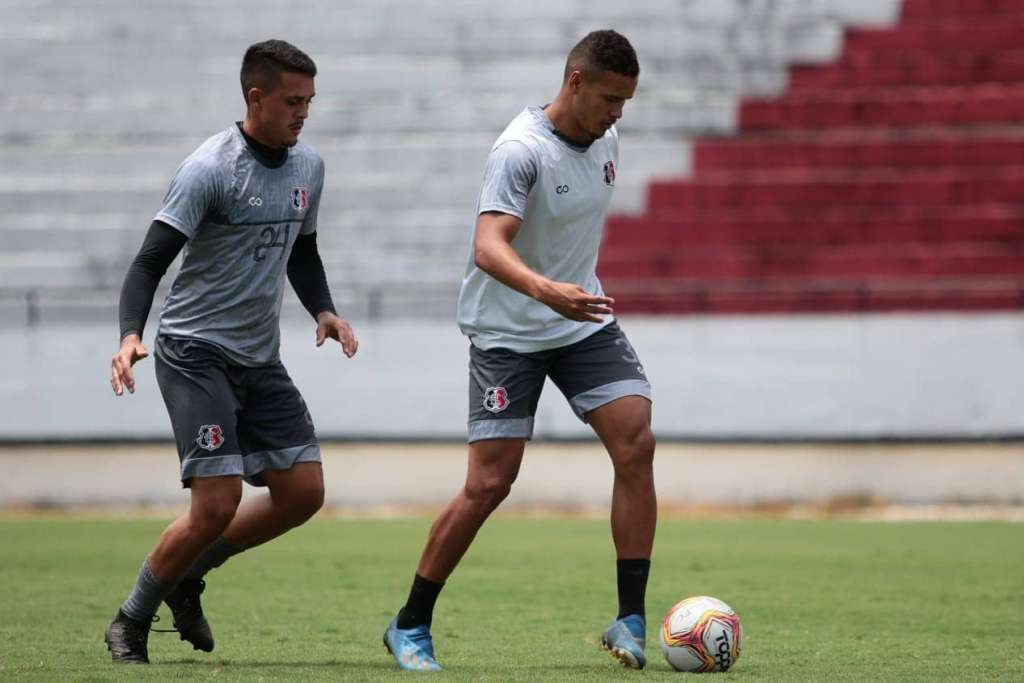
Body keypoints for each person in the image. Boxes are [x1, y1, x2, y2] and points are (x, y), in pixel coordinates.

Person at [383, 29, 655, 671]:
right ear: (575, 82)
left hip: (579, 319)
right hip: (508, 331)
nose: (619, 113)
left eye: (627, 101)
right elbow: (488, 245)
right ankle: (410, 624)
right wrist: (543, 291)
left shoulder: (607, 138)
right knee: (491, 483)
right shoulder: (520, 151)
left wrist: (567, 297)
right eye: (611, 98)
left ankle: (630, 619)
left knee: (636, 441)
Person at [104, 39, 357, 664]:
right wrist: (131, 334)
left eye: (309, 102)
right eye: (293, 102)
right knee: (217, 503)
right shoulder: (209, 169)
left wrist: (323, 309)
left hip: (257, 358)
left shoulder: (310, 169)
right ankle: (130, 620)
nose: (303, 113)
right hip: (194, 351)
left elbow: (302, 251)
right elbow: (147, 263)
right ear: (255, 97)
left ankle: (184, 574)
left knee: (303, 494)